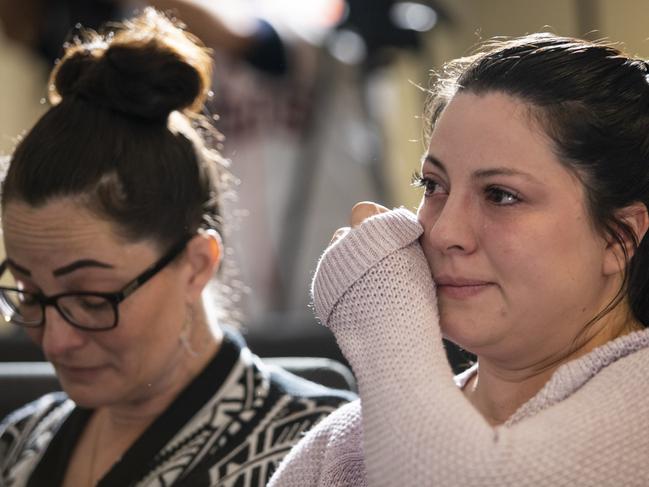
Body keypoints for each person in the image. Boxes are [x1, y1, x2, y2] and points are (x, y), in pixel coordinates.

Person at [269, 33, 649, 486]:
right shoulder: (345, 444)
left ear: (618, 238)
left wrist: (384, 308)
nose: (445, 231)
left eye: (501, 195)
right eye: (433, 186)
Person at [0, 9, 354, 487]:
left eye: (91, 298)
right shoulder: (20, 440)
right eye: (30, 295)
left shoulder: (319, 452)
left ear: (196, 264)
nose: (54, 342)